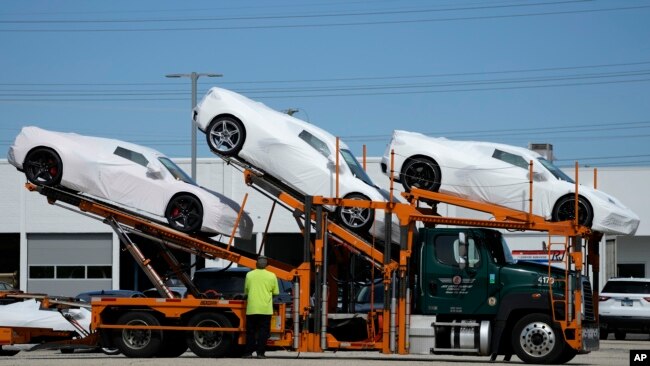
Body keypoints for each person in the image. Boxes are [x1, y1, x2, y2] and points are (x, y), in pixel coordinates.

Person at [243, 256, 279, 359]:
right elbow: (276, 292)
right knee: (263, 332)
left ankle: (248, 353)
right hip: (266, 309)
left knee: (250, 332)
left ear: (256, 264)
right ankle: (260, 353)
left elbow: (246, 291)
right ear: (267, 266)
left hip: (252, 308)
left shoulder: (249, 275)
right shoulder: (272, 275)